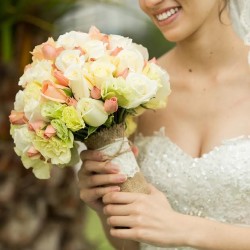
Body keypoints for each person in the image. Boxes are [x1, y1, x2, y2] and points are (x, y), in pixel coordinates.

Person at [78, 0, 250, 249]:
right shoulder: (135, 91)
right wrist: (106, 206)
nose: (150, 2)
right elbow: (133, 244)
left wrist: (184, 229)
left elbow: (170, 228)